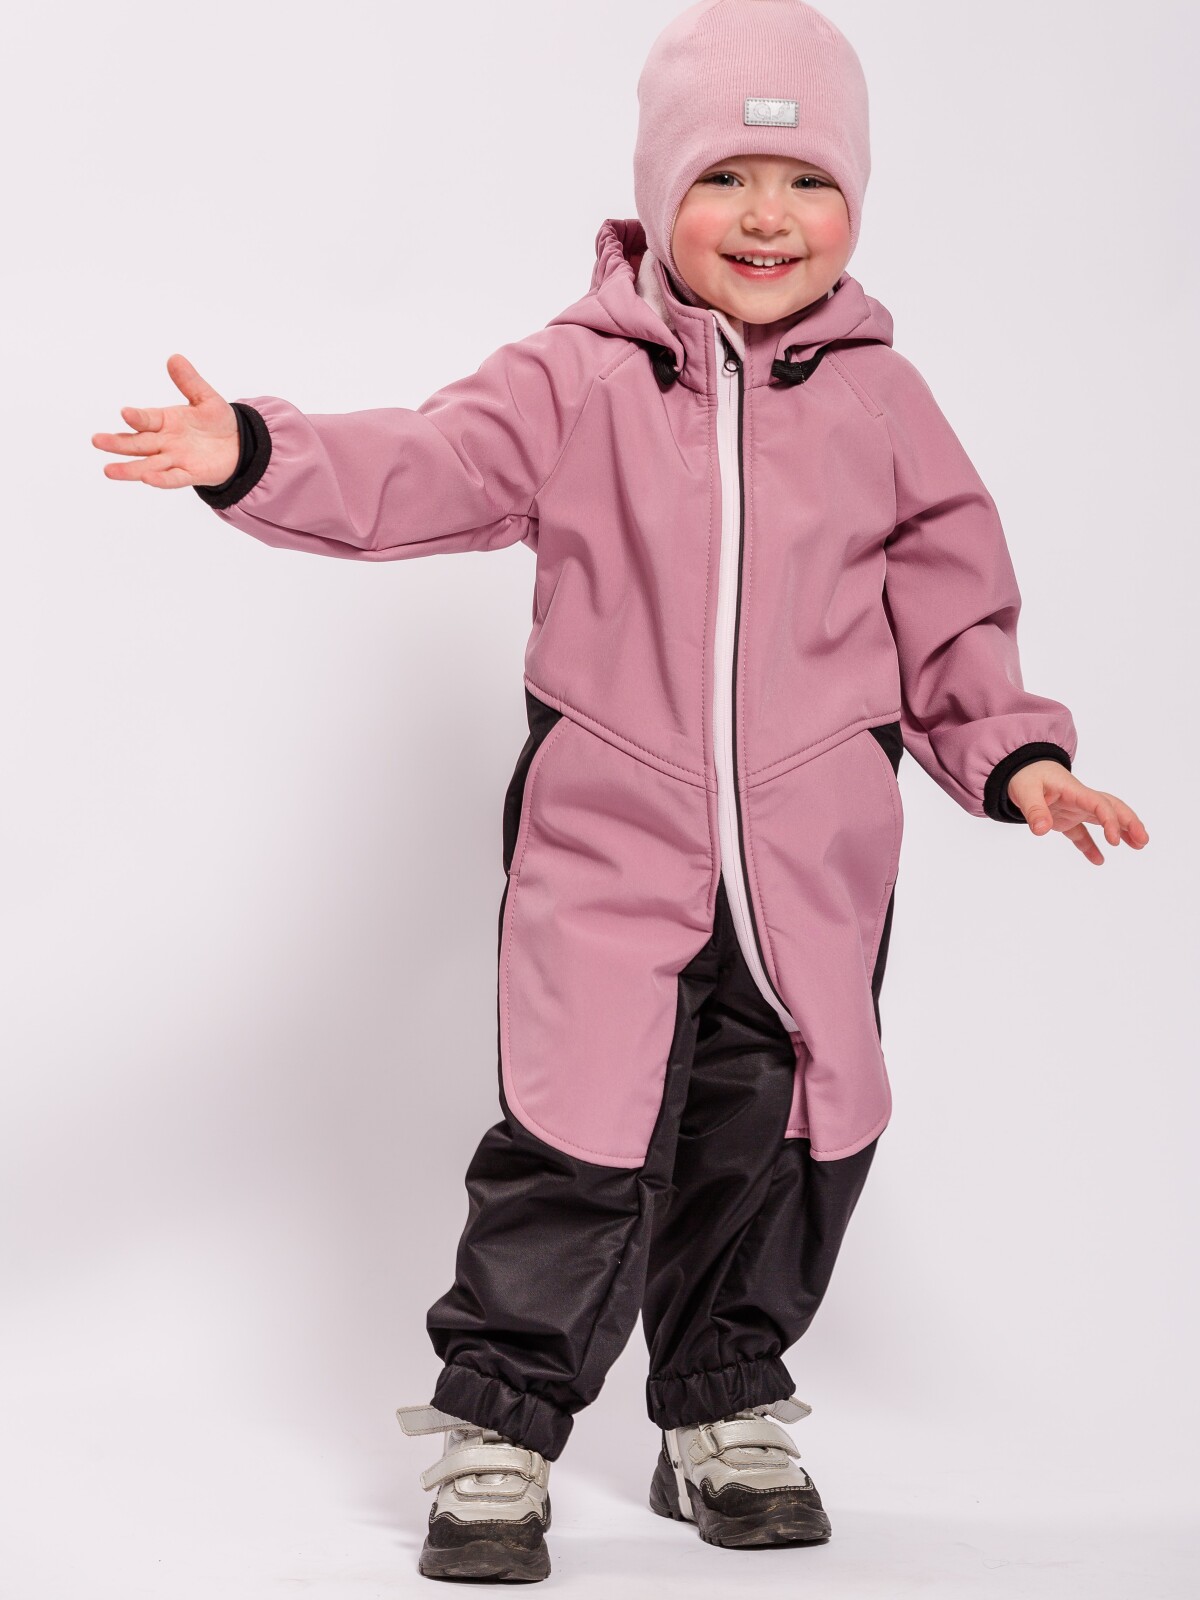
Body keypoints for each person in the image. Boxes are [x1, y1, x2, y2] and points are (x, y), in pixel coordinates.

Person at [90, 0, 1149, 1584]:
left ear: (855, 202)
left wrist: (1019, 755)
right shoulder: (578, 377)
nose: (768, 217)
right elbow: (426, 465)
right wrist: (254, 450)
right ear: (661, 193)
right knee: (571, 1137)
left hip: (812, 867)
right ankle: (500, 1430)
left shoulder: (884, 404)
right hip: (607, 845)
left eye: (806, 183)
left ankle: (723, 1403)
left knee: (784, 1136)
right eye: (726, 178)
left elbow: (952, 607)